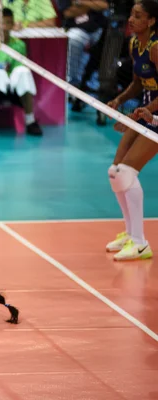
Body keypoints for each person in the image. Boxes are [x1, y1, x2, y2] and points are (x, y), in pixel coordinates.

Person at [106, 0, 158, 261]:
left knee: (127, 171)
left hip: (156, 114)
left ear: (151, 21)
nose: (131, 19)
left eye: (138, 16)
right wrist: (120, 100)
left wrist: (144, 112)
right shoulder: (135, 44)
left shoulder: (157, 47)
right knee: (115, 173)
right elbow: (138, 83)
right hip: (146, 110)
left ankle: (140, 243)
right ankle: (130, 233)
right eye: (131, 14)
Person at [0, 8, 43, 136]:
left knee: (23, 71)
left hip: (12, 88)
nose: (4, 27)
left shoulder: (19, 45)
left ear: (12, 25)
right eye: (1, 23)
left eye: (8, 23)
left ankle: (30, 120)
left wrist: (7, 71)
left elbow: (18, 68)